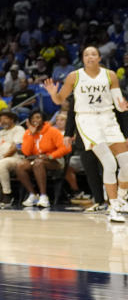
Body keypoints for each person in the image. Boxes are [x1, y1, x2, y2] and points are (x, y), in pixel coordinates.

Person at [44, 45, 128, 222]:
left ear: (99, 58)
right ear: (83, 59)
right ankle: (113, 208)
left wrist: (122, 105)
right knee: (110, 164)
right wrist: (53, 94)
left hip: (108, 119)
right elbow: (60, 100)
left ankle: (121, 199)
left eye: (93, 54)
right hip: (87, 120)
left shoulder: (110, 75)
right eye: (86, 55)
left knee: (126, 165)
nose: (90, 57)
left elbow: (118, 101)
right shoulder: (74, 76)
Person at [16, 109, 70, 209]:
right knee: (20, 165)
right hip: (36, 159)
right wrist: (31, 135)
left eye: (38, 117)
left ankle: (43, 196)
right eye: (32, 118)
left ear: (43, 119)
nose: (35, 120)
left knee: (38, 163)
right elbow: (26, 152)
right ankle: (33, 194)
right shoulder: (28, 132)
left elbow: (66, 148)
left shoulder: (53, 131)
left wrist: (50, 156)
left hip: (54, 160)